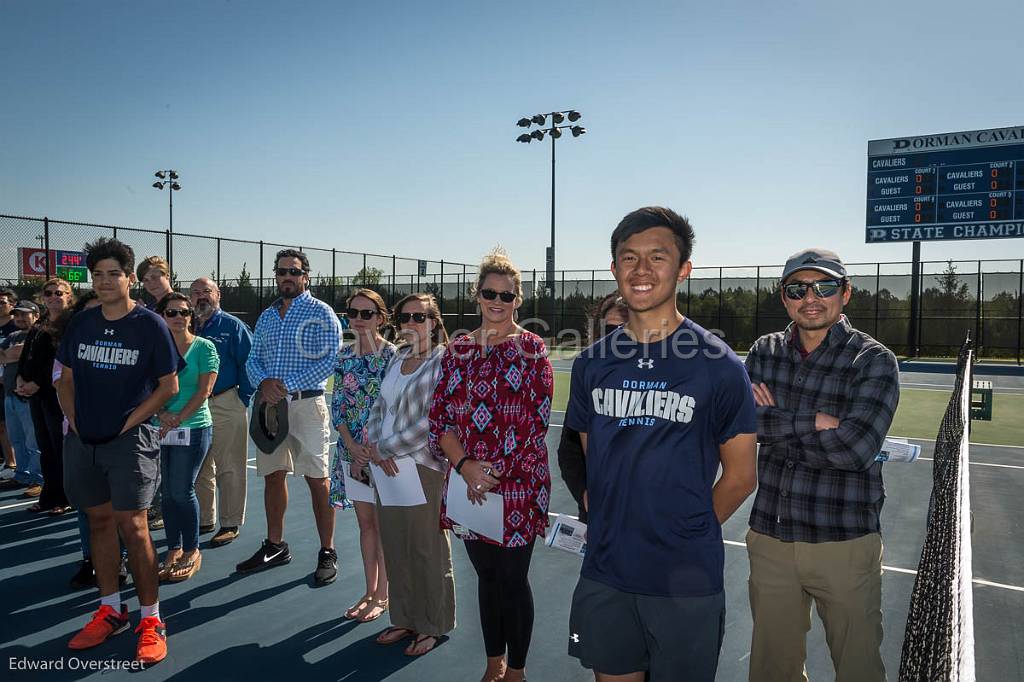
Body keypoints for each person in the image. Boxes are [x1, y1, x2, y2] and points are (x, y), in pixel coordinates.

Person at [564, 207, 758, 682]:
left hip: (685, 580)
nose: (642, 270)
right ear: (613, 269)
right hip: (607, 572)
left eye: (658, 256)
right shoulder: (592, 364)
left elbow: (741, 476)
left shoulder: (720, 365)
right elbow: (594, 456)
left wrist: (686, 530)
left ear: (684, 269)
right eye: (628, 258)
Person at [743, 248, 900, 682]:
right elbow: (740, 423)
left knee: (858, 669)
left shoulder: (873, 360)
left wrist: (776, 425)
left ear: (846, 293)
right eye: (797, 289)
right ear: (784, 297)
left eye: (824, 286)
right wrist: (814, 422)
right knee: (773, 671)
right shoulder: (765, 350)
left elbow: (855, 449)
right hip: (771, 538)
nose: (810, 297)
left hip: (844, 543)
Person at [429, 249, 553, 682]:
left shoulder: (532, 349)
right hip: (467, 483)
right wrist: (465, 466)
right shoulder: (458, 349)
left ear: (518, 299)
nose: (497, 301)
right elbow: (440, 417)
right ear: (476, 296)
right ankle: (492, 664)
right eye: (489, 293)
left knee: (513, 579)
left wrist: (493, 471)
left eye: (507, 294)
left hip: (517, 486)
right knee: (485, 577)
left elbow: (536, 422)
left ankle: (516, 671)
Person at [57, 237, 183, 664]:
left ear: (130, 278)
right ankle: (111, 610)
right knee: (98, 523)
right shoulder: (81, 323)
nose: (106, 281)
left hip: (130, 442)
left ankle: (152, 619)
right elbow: (64, 379)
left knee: (135, 527)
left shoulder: (151, 325)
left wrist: (125, 424)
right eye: (98, 275)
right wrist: (75, 422)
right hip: (84, 441)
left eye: (114, 273)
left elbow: (170, 387)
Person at [238, 249, 342, 585]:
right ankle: (275, 545)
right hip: (270, 408)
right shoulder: (266, 317)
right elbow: (253, 360)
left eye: (294, 272)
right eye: (282, 271)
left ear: (305, 276)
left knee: (317, 480)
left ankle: (327, 551)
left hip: (307, 407)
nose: (288, 277)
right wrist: (263, 383)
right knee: (273, 476)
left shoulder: (321, 313)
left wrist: (283, 386)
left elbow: (329, 362)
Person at [363, 293, 454, 656]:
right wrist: (373, 444)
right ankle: (404, 617)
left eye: (420, 317)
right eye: (405, 318)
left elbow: (434, 419)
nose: (411, 324)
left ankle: (433, 624)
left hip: (422, 467)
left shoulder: (443, 360)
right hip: (387, 469)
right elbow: (377, 405)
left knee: (426, 549)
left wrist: (385, 449)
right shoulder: (397, 357)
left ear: (434, 322)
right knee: (396, 546)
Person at [329, 288, 396, 619]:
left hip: (381, 454)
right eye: (353, 313)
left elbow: (393, 409)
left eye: (366, 313)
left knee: (384, 526)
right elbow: (338, 404)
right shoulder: (342, 356)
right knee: (365, 523)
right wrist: (352, 449)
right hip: (350, 452)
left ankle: (383, 595)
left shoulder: (393, 357)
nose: (358, 319)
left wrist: (368, 450)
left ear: (381, 318)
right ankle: (369, 591)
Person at [155, 293, 219, 583]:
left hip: (193, 428)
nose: (179, 317)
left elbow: (204, 391)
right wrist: (161, 415)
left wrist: (176, 419)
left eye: (184, 312)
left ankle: (192, 550)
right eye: (171, 312)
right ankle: (173, 549)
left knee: (182, 490)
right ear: (162, 316)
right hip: (160, 428)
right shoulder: (155, 349)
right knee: (167, 494)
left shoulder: (205, 348)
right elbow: (145, 387)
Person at [190, 277, 254, 547]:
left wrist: (241, 399)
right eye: (195, 293)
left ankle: (229, 522)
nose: (201, 297)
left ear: (218, 295)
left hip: (225, 400)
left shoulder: (232, 326)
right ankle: (205, 517)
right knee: (200, 466)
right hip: (193, 405)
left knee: (230, 466)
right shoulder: (185, 323)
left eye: (207, 291)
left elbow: (250, 363)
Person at [556, 291, 628, 523]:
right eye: (610, 330)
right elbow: (569, 450)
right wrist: (585, 494)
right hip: (599, 513)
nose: (617, 337)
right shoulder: (588, 378)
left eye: (625, 329)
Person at [17, 278, 74, 515]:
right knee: (46, 448)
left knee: (61, 449)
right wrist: (21, 378)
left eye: (58, 293)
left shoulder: (71, 325)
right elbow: (27, 355)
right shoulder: (39, 324)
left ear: (68, 296)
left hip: (57, 396)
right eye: (48, 293)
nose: (53, 297)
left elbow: (59, 361)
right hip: (37, 398)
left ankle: (67, 497)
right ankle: (49, 496)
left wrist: (37, 383)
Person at [136, 255, 174, 531]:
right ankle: (155, 505)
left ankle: (164, 509)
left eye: (155, 276)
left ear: (167, 275)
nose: (151, 283)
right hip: (151, 391)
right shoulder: (145, 308)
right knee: (154, 454)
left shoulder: (180, 305)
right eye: (145, 279)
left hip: (175, 389)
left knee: (172, 457)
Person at [0, 300, 42, 497]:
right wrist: (10, 354)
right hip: (9, 395)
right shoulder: (12, 335)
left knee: (33, 440)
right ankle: (22, 474)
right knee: (16, 439)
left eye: (25, 314)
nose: (20, 318)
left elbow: (15, 353)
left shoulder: (39, 334)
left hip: (27, 396)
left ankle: (38, 478)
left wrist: (11, 353)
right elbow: (4, 355)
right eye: (17, 315)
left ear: (35, 315)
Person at [0, 289, 19, 479]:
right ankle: (9, 461)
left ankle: (16, 464)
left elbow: (13, 355)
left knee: (13, 426)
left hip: (13, 384)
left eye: (2, 302)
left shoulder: (16, 328)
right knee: (1, 426)